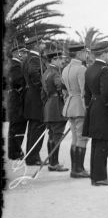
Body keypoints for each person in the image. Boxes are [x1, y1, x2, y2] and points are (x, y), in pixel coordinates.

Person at [83, 41, 108, 186]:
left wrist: (89, 106)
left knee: (96, 144)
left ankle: (95, 177)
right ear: (103, 53)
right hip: (103, 109)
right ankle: (101, 178)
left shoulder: (89, 69)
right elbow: (107, 92)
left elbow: (87, 93)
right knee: (103, 143)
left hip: (93, 107)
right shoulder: (104, 70)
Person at [61, 43, 90, 178]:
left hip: (70, 105)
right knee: (82, 138)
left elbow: (65, 91)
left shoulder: (65, 69)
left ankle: (75, 169)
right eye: (85, 52)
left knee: (74, 138)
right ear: (79, 53)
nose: (86, 54)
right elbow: (84, 91)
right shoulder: (81, 69)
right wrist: (87, 109)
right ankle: (79, 169)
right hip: (79, 105)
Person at [22, 35, 47, 166]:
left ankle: (31, 156)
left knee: (34, 129)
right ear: (36, 45)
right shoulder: (34, 59)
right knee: (37, 128)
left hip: (32, 97)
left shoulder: (29, 58)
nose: (44, 45)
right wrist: (43, 87)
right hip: (37, 98)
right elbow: (34, 74)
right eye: (42, 43)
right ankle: (33, 158)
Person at [42, 48, 68, 171]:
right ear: (54, 59)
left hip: (48, 106)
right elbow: (60, 86)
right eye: (60, 59)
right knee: (57, 135)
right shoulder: (56, 72)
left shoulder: (46, 72)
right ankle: (54, 163)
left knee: (52, 135)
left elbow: (43, 93)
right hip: (57, 106)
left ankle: (52, 162)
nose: (62, 61)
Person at [7, 44, 28, 160]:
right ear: (16, 53)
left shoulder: (15, 65)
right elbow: (18, 81)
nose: (24, 55)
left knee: (15, 128)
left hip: (15, 100)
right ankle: (15, 153)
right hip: (17, 101)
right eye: (23, 52)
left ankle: (14, 152)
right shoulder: (15, 66)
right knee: (17, 128)